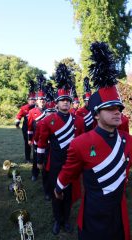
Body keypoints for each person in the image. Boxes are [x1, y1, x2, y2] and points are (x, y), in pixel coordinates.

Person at [54, 42, 132, 240]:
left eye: (119, 108)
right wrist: (59, 188)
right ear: (96, 114)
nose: (117, 112)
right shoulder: (80, 143)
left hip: (119, 214)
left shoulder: (128, 140)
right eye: (110, 108)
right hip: (93, 216)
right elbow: (69, 170)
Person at [37, 63, 85, 235]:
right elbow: (42, 143)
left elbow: (82, 142)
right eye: (62, 100)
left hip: (72, 163)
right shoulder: (48, 121)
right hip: (55, 163)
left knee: (69, 193)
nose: (65, 103)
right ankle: (57, 220)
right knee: (57, 193)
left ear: (71, 102)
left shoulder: (78, 121)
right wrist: (40, 161)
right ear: (57, 103)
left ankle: (66, 220)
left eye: (68, 100)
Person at [27, 74, 47, 181]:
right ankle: (34, 173)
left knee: (46, 157)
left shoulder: (50, 111)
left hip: (47, 139)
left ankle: (45, 174)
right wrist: (30, 139)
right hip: (36, 138)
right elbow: (30, 127)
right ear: (37, 100)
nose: (42, 102)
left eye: (43, 100)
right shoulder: (31, 112)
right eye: (40, 100)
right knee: (35, 157)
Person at [15, 80, 36, 163]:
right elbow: (19, 115)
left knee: (36, 143)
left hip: (35, 128)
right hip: (26, 128)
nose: (32, 101)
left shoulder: (38, 108)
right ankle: (27, 158)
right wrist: (17, 122)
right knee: (27, 143)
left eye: (34, 99)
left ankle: (36, 157)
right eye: (31, 100)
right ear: (28, 100)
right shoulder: (24, 108)